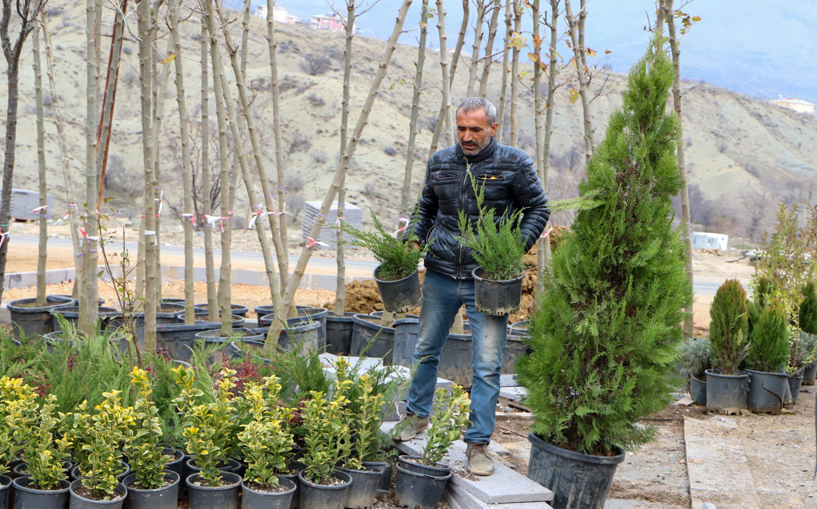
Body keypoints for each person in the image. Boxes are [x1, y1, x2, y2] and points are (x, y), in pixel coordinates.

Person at [396, 97, 549, 476]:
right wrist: (415, 239)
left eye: (475, 130)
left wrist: (512, 249)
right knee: (426, 349)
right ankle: (416, 417)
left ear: (493, 129)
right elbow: (426, 207)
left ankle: (478, 444)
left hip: (489, 281)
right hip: (441, 273)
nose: (467, 136)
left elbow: (539, 208)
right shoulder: (441, 162)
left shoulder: (515, 164)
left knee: (486, 364)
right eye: (461, 128)